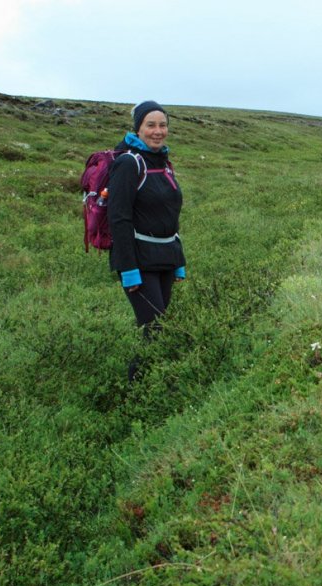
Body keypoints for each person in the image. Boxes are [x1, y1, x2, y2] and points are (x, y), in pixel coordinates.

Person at [108, 100, 186, 381]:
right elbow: (118, 219)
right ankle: (136, 393)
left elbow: (171, 215)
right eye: (150, 125)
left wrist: (179, 262)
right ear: (138, 128)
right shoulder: (129, 164)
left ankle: (150, 388)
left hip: (165, 257)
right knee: (155, 329)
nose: (158, 131)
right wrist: (128, 269)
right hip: (139, 263)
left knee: (158, 329)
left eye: (162, 125)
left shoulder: (164, 163)